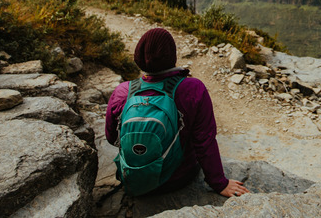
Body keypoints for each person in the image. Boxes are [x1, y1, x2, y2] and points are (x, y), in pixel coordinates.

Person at [105, 27, 250, 197]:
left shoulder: (123, 91)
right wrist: (219, 183)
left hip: (134, 176)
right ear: (172, 56)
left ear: (137, 57)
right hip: (176, 179)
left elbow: (111, 137)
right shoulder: (193, 88)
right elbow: (204, 141)